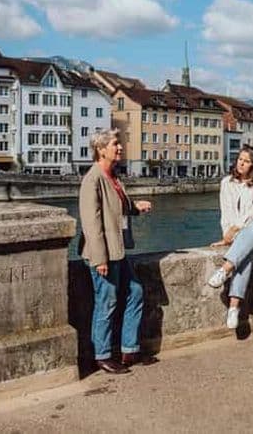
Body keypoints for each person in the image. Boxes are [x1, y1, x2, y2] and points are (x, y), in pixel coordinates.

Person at [79, 129, 153, 374]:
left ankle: (129, 349)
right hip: (103, 254)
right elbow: (91, 223)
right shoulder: (93, 179)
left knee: (135, 292)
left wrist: (135, 207)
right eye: (114, 144)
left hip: (117, 251)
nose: (119, 147)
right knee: (106, 303)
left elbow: (118, 207)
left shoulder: (113, 177)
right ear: (101, 150)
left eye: (119, 144)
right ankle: (102, 356)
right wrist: (99, 259)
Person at [207, 145, 253, 329]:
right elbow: (226, 212)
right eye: (240, 159)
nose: (241, 163)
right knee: (248, 249)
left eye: (246, 161)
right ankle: (234, 307)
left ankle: (225, 269)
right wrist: (227, 234)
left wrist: (236, 229)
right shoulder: (227, 183)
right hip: (245, 236)